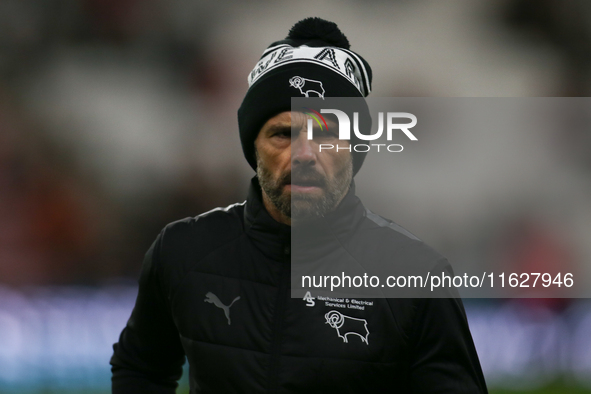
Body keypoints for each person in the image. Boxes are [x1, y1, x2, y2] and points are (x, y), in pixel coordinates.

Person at [110, 17, 488, 393]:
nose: (304, 153)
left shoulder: (417, 277)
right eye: (282, 134)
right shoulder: (183, 252)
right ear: (253, 147)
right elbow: (140, 368)